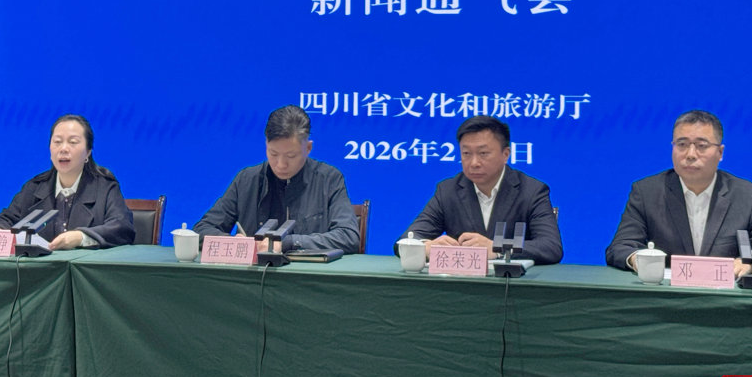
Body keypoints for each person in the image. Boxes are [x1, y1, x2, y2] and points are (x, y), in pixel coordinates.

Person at [606, 110, 752, 276]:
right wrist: (638, 259)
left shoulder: (749, 197)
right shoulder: (647, 192)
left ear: (720, 153)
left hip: (725, 297)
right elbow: (620, 247)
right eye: (682, 144)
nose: (691, 154)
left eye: (701, 145)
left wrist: (749, 265)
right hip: (667, 295)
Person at [194, 105, 359, 253]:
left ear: (308, 148)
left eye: (291, 156)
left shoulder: (329, 179)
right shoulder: (247, 180)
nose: (281, 165)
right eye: (273, 154)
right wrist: (234, 243)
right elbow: (201, 230)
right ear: (266, 145)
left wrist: (289, 243)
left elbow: (348, 237)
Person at [398, 116, 563, 264]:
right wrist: (425, 247)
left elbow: (551, 247)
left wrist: (497, 248)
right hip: (461, 284)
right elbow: (406, 240)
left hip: (515, 284)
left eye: (483, 153)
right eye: (466, 153)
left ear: (505, 154)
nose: (474, 163)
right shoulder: (448, 191)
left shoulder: (531, 191)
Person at [0, 114, 134, 249]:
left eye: (73, 142)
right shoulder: (35, 188)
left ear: (88, 152)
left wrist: (81, 237)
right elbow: (3, 219)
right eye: (57, 142)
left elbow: (122, 228)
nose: (63, 149)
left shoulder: (105, 187)